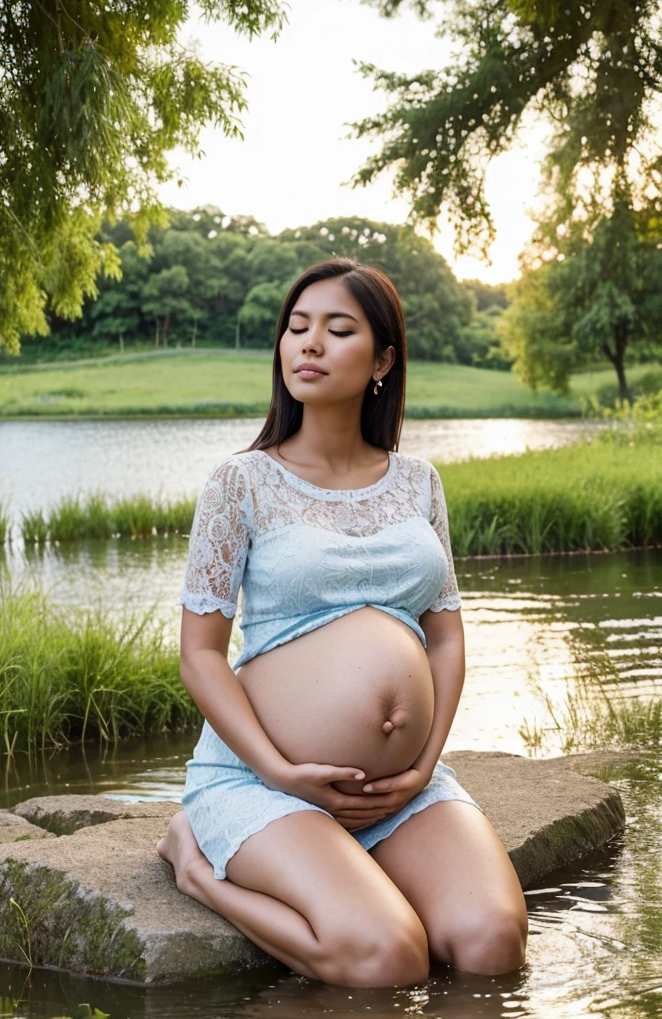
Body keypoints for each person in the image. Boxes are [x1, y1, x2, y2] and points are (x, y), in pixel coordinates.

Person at [157, 258, 528, 988]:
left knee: (493, 945)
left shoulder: (419, 482)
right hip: (266, 784)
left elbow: (446, 635)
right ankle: (198, 869)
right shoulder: (241, 483)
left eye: (337, 329)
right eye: (296, 328)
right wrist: (279, 769)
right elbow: (200, 655)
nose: (309, 344)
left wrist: (422, 763)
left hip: (404, 790)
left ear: (384, 360)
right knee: (389, 960)